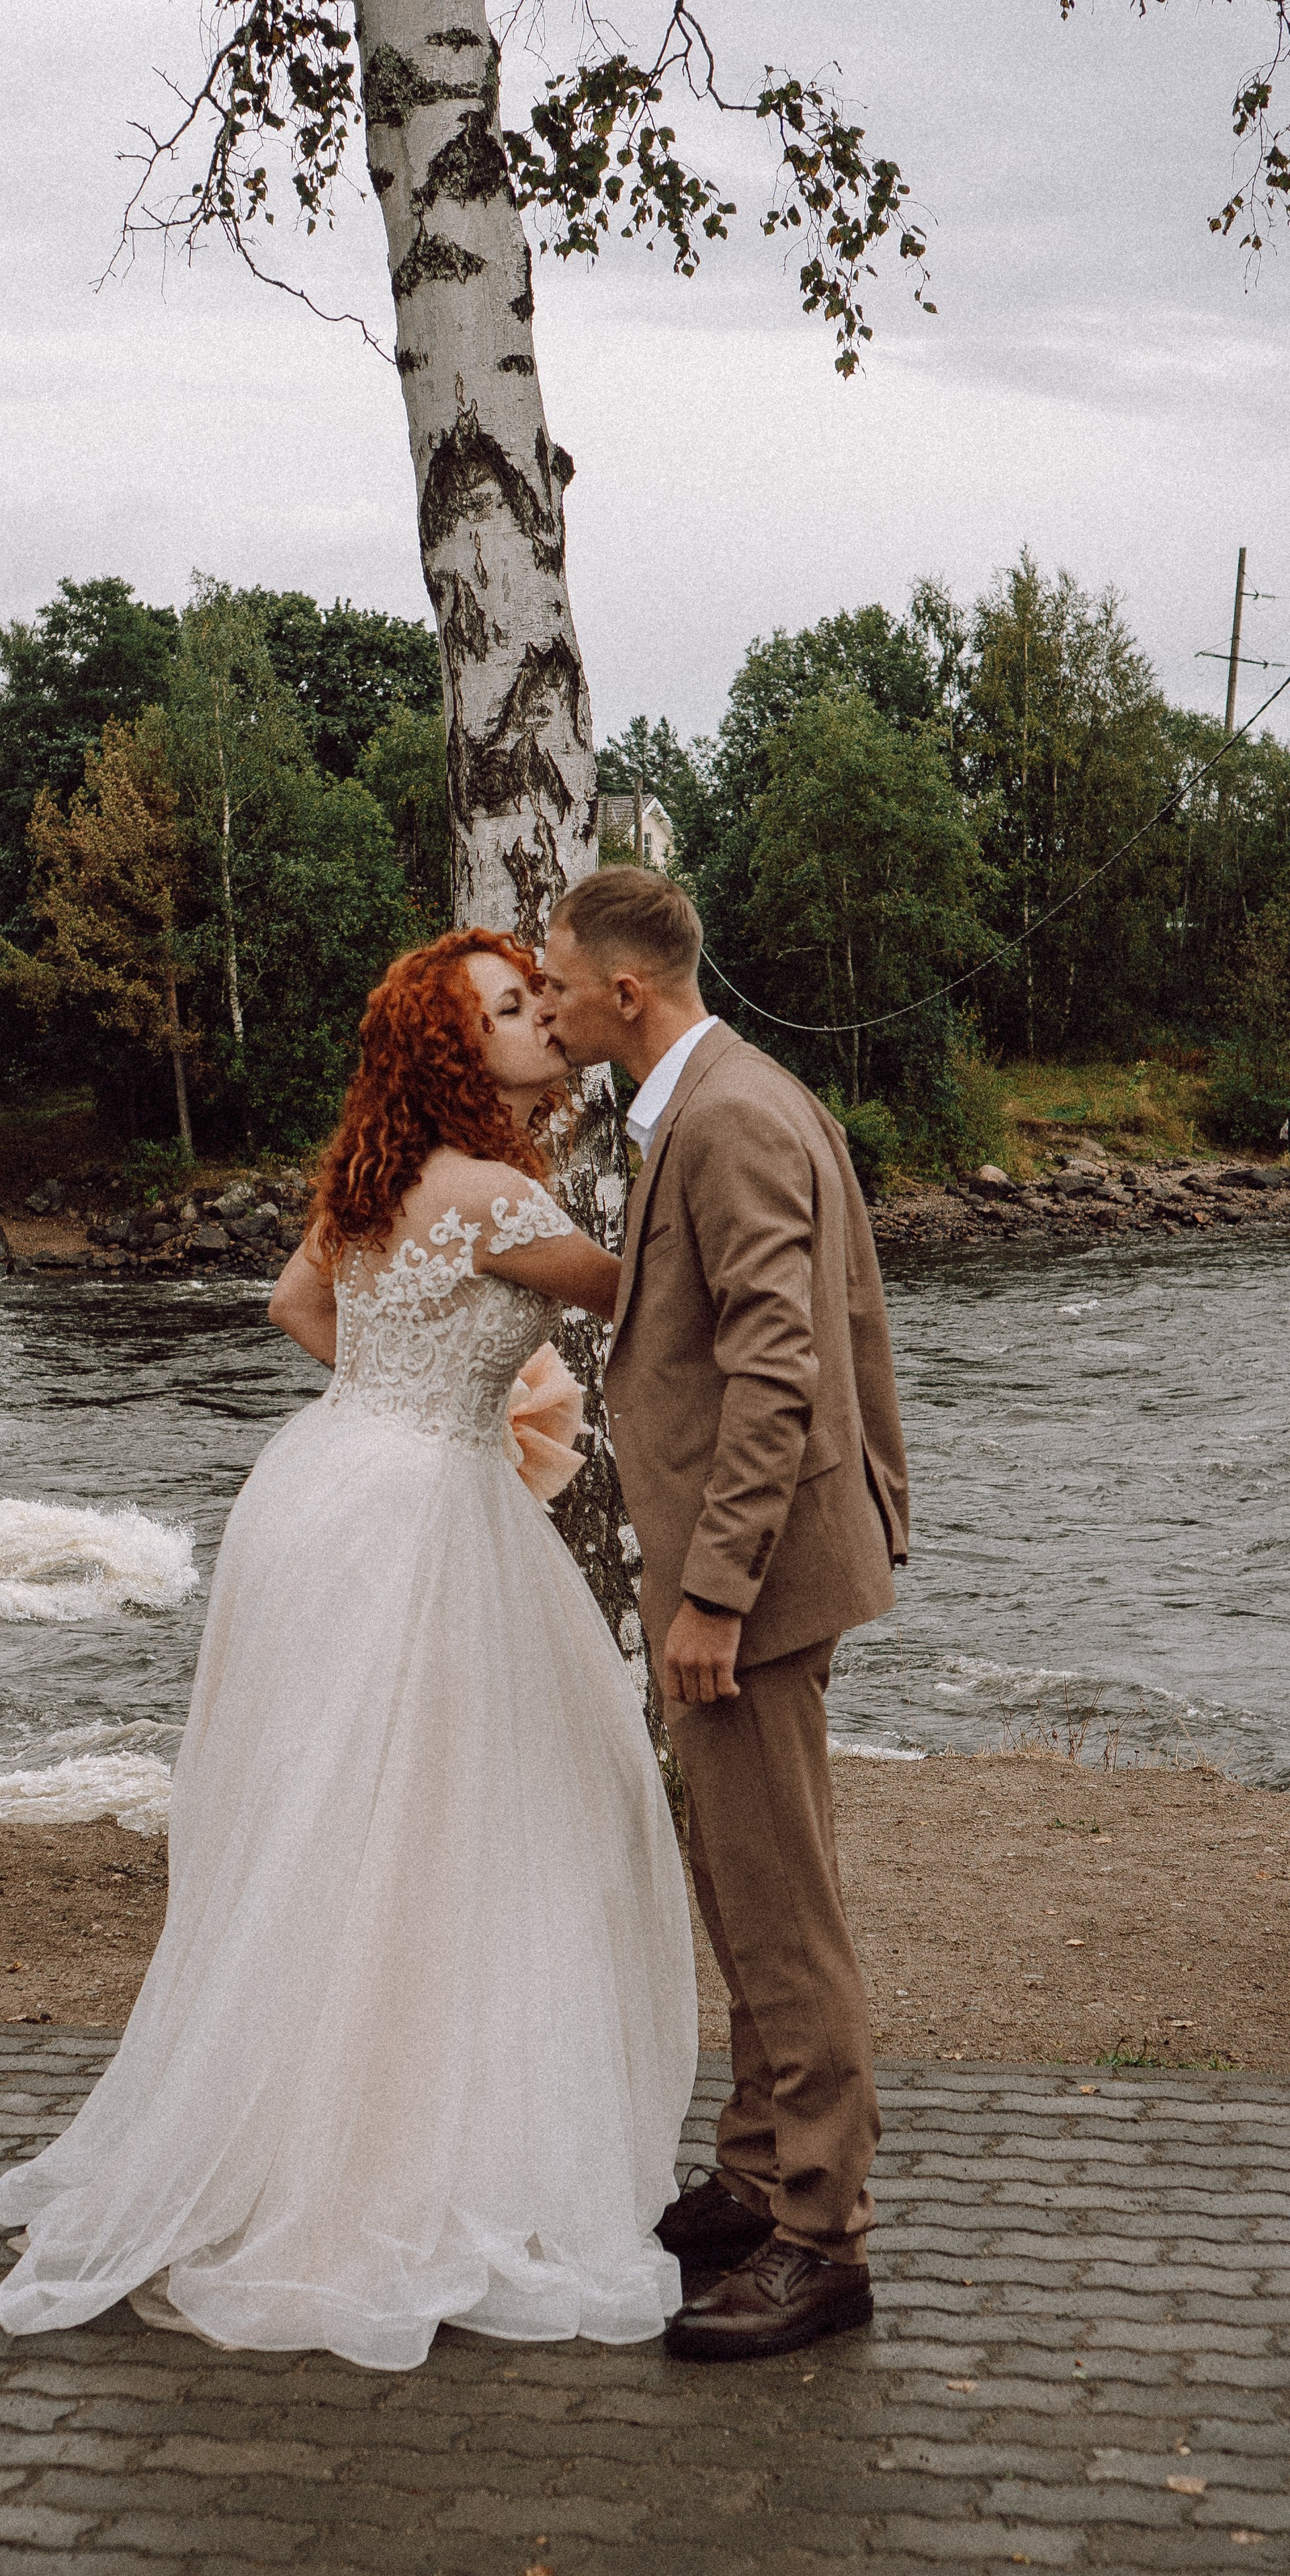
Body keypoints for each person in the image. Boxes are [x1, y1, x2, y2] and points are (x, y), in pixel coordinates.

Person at [0, 928, 697, 2372]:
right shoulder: (498, 1194)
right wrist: (452, 1409)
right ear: (454, 1050)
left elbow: (295, 1307)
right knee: (458, 1824)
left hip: (320, 1486)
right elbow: (643, 1298)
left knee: (329, 1821)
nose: (536, 1022)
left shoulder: (369, 1180)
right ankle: (400, 2158)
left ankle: (305, 2123)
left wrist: (403, 1391)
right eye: (508, 1010)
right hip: (419, 1514)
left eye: (530, 997)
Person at [540, 868, 910, 2364]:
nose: (549, 1003)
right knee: (739, 1875)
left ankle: (822, 2235)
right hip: (740, 1572)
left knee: (780, 1902)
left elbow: (777, 1373)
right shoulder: (708, 1101)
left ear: (623, 992)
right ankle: (759, 2170)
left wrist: (711, 1593)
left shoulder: (734, 1116)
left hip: (746, 1586)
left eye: (557, 980)